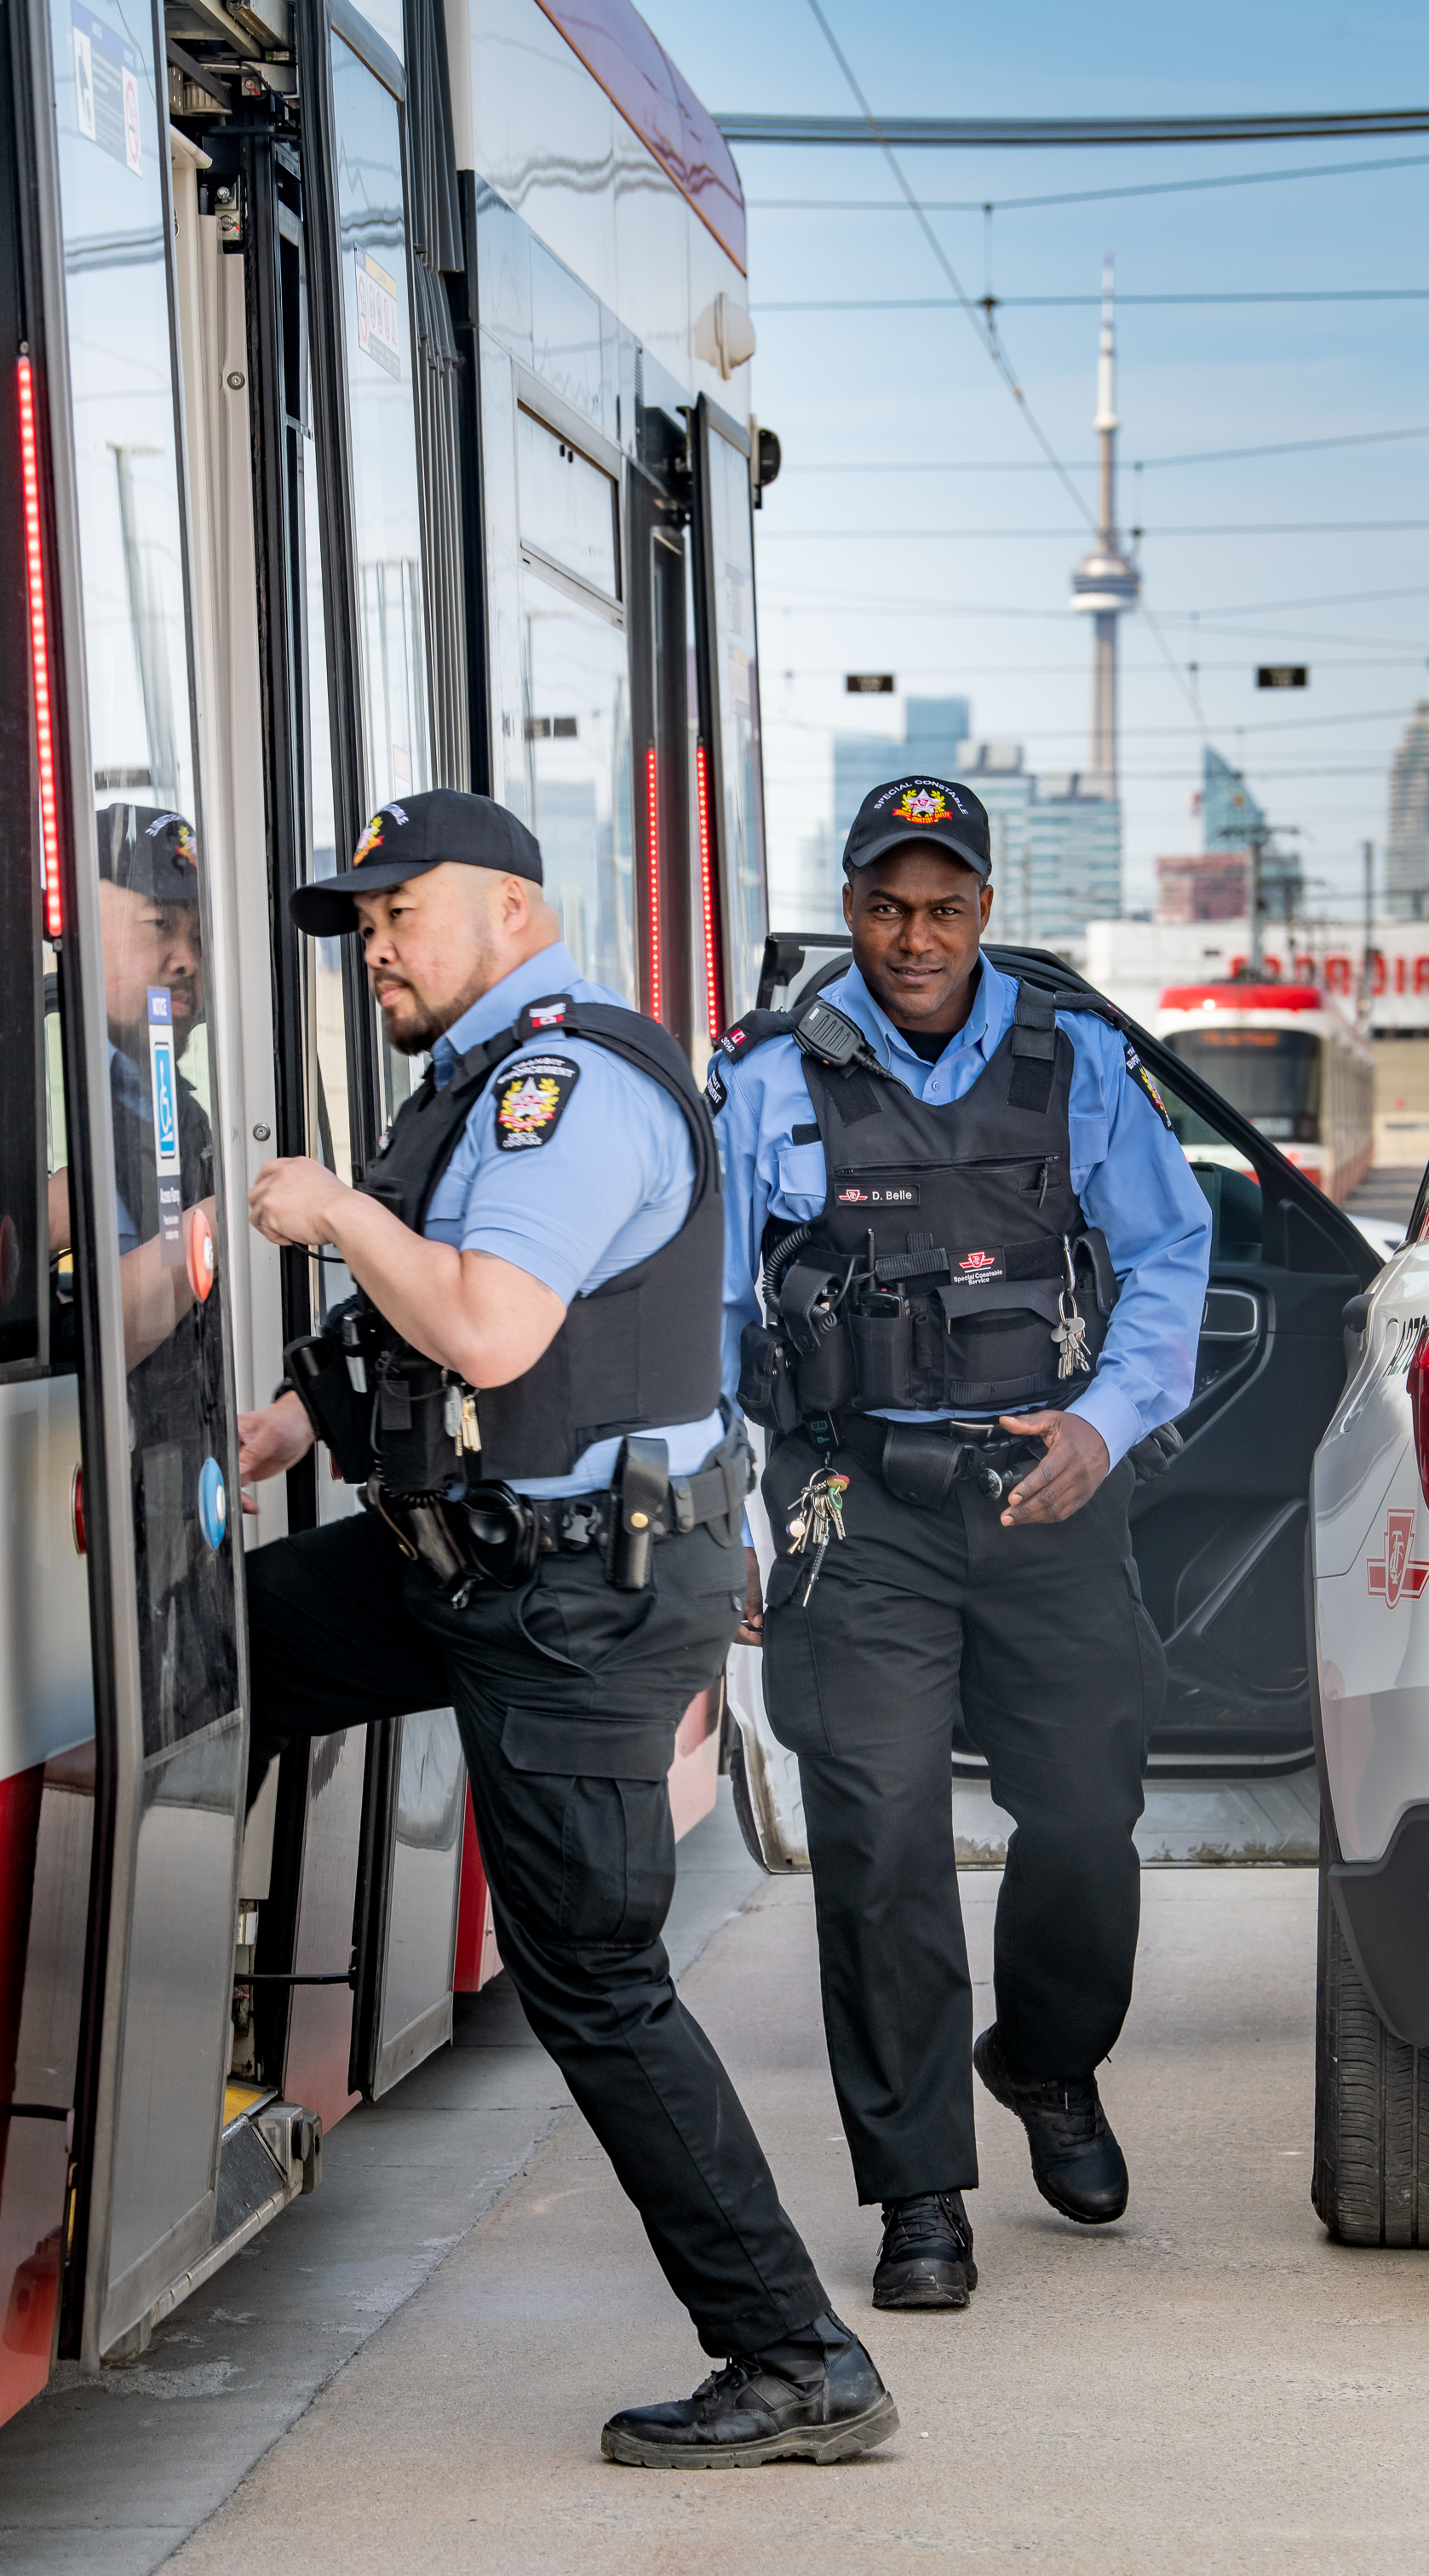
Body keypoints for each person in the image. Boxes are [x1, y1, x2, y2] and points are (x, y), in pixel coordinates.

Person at [234, 788, 898, 2469]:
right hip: (465, 1563)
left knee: (592, 1979)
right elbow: (408, 1327)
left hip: (581, 1604)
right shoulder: (472, 1089)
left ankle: (796, 2359)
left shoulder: (564, 1088)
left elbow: (486, 1321)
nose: (377, 943)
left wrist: (332, 1215)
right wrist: (296, 1422)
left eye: (404, 911)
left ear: (514, 914)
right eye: (362, 922)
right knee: (207, 1658)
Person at [712, 773, 1213, 2312]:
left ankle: (1046, 2058)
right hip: (851, 1508)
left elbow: (1170, 1244)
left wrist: (1103, 1423)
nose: (911, 934)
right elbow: (709, 1313)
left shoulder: (1079, 1067)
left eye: (940, 905)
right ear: (850, 906)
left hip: (1042, 1490)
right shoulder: (764, 1081)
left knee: (1080, 1815)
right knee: (878, 1843)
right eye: (883, 904)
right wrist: (718, 1508)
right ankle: (918, 2190)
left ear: (984, 908)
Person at [49, 803, 233, 1742]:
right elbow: (102, 1328)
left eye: (199, 933)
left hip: (167, 1496)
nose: (187, 958)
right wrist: (226, 1221)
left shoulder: (171, 1098)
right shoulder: (57, 1081)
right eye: (159, 925)